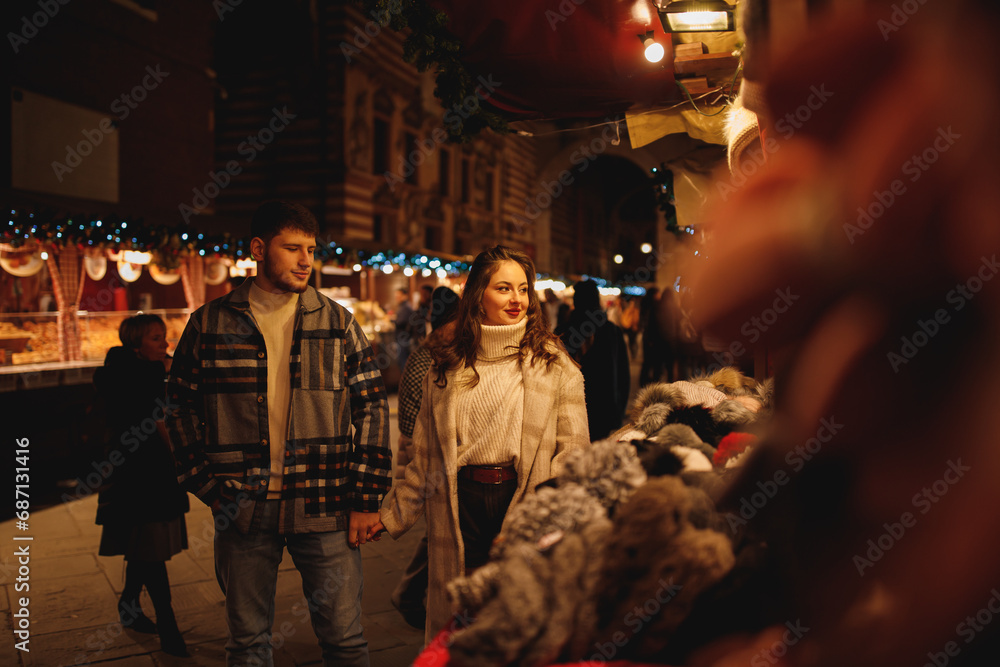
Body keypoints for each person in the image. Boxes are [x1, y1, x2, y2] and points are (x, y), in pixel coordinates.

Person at [166, 200, 391, 667]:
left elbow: (372, 408)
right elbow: (178, 407)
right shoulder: (211, 323)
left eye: (310, 249)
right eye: (292, 248)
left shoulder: (337, 322)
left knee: (346, 641)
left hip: (324, 504)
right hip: (242, 504)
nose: (306, 259)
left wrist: (366, 499)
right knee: (248, 645)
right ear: (258, 249)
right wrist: (207, 486)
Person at [369, 245, 590, 644]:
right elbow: (424, 456)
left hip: (524, 498)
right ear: (478, 295)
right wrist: (389, 516)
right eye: (504, 288)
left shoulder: (554, 364)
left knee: (516, 615)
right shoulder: (447, 364)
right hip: (460, 501)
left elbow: (573, 452)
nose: (517, 299)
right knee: (463, 615)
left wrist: (546, 515)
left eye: (523, 289)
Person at [94, 313, 190, 657]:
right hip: (133, 474)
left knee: (143, 543)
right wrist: (166, 368)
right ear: (135, 343)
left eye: (164, 337)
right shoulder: (121, 371)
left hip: (158, 471)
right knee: (148, 547)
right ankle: (167, 625)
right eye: (155, 338)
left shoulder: (153, 372)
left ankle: (130, 602)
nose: (164, 344)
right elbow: (138, 398)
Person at [389, 285, 461, 629]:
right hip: (422, 448)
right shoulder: (436, 353)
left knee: (438, 524)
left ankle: (410, 592)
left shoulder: (429, 348)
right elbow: (419, 412)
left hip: (415, 444)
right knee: (437, 524)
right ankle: (407, 592)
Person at [556, 279, 631, 440]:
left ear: (576, 301)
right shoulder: (612, 331)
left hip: (570, 410)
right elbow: (623, 376)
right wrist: (619, 411)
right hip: (604, 410)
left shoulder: (563, 332)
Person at [393, 287, 415, 373]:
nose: (396, 297)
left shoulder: (406, 307)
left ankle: (405, 383)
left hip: (404, 338)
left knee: (403, 362)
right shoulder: (404, 306)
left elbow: (401, 321)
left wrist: (392, 319)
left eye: (398, 295)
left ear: (404, 295)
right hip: (402, 337)